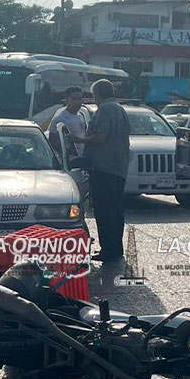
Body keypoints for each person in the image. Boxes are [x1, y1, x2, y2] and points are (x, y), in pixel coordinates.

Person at [70, 79, 130, 262]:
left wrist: (80, 140)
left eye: (94, 95)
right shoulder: (120, 109)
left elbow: (101, 137)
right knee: (116, 210)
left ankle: (108, 250)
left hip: (105, 168)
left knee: (104, 212)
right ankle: (116, 248)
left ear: (99, 95)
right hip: (118, 168)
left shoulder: (105, 109)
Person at [48, 86, 87, 156]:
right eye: (73, 99)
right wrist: (66, 152)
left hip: (82, 156)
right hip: (69, 160)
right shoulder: (59, 118)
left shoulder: (81, 115)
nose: (77, 102)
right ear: (67, 100)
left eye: (79, 99)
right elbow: (52, 141)